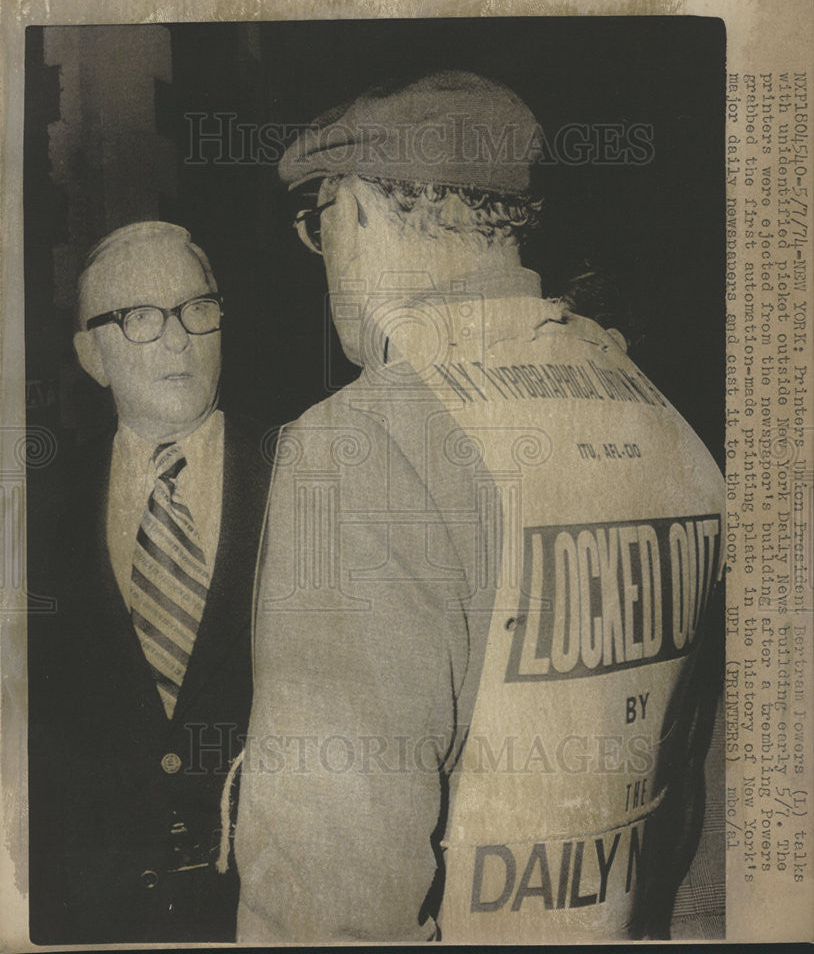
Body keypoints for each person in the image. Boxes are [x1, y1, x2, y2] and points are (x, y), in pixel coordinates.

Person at [234, 72, 725, 943]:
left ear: (360, 214)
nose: (327, 259)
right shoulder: (666, 422)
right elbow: (704, 827)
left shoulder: (359, 447)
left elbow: (328, 893)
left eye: (321, 224)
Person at [28, 222, 272, 943]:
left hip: (267, 909)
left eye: (197, 309)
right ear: (90, 355)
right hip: (96, 916)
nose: (177, 340)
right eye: (139, 318)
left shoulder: (304, 473)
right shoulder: (40, 514)